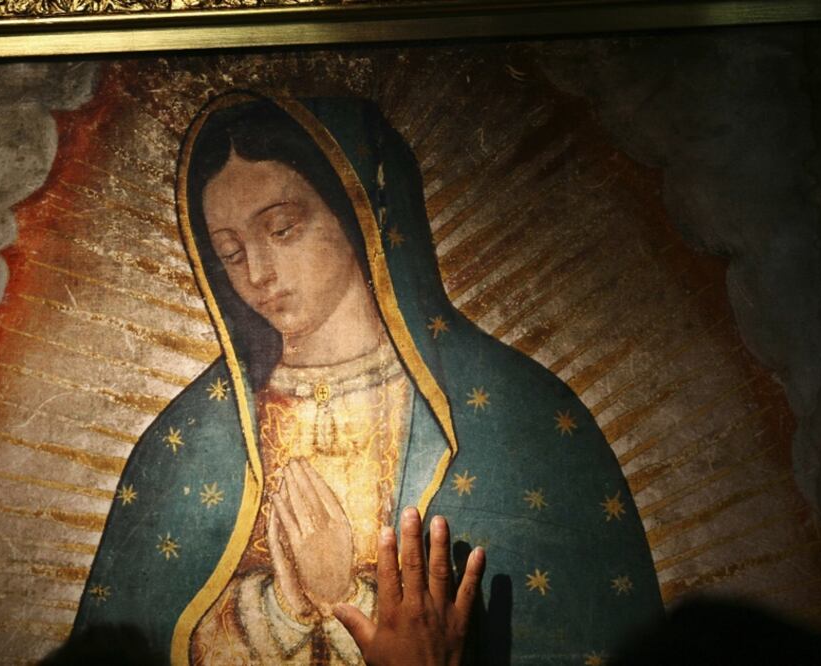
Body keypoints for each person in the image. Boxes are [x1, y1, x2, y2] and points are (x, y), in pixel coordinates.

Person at [72, 93, 663, 665]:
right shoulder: (193, 438)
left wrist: (346, 599)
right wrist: (284, 608)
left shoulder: (520, 415)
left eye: (281, 229)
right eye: (230, 252)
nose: (257, 272)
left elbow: (571, 629)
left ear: (359, 214)